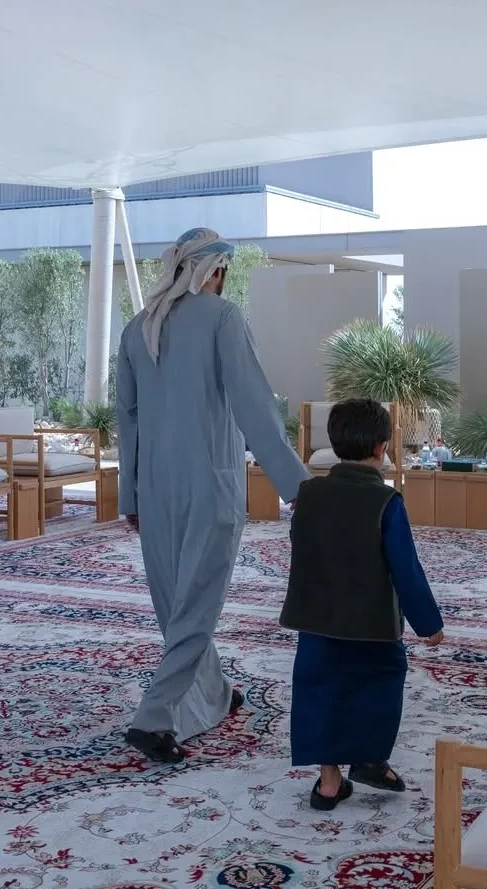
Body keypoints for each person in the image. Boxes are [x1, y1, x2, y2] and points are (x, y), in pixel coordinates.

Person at [116, 227, 309, 763]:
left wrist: (129, 495)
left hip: (154, 490)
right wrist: (297, 486)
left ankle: (215, 692)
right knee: (198, 603)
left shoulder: (136, 328)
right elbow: (253, 406)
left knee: (177, 601)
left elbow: (126, 422)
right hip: (209, 484)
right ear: (215, 271)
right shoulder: (224, 318)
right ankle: (154, 718)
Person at [280, 398, 444, 810]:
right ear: (381, 448)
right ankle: (370, 759)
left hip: (316, 617)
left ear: (334, 444)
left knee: (319, 691)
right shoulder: (386, 502)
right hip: (372, 623)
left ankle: (328, 782)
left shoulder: (308, 494)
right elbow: (406, 568)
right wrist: (428, 623)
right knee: (379, 684)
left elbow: (301, 545)